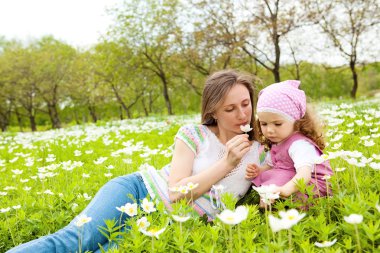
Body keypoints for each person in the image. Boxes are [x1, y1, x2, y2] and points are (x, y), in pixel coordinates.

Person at [8, 69, 265, 253]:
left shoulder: (262, 152)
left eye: (245, 104)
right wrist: (227, 164)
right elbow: (176, 192)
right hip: (137, 193)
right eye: (230, 109)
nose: (242, 114)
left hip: (167, 225)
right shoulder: (194, 134)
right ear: (213, 112)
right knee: (74, 240)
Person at [245, 80, 333, 206]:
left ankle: (277, 212)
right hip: (293, 176)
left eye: (277, 124)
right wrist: (260, 170)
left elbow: (304, 175)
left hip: (315, 186)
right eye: (264, 124)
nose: (269, 130)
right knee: (273, 179)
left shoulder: (300, 145)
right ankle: (267, 212)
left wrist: (285, 190)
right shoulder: (279, 139)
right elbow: (276, 164)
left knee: (275, 182)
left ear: (296, 122)